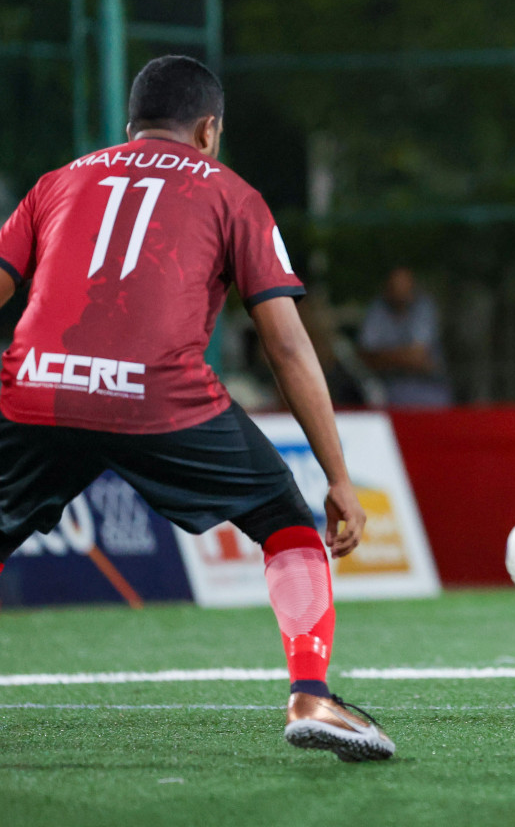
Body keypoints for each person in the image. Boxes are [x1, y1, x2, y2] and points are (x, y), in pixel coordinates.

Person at [0, 56, 394, 761]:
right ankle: (310, 693)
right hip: (159, 395)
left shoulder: (58, 181)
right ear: (209, 128)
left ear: (130, 124)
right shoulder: (234, 194)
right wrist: (337, 474)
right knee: (284, 523)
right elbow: (286, 346)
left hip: (38, 384)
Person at [357, 266, 452, 408]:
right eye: (394, 285)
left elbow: (417, 357)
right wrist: (407, 357)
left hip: (429, 388)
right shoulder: (377, 308)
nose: (399, 290)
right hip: (388, 389)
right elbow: (364, 357)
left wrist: (381, 358)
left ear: (412, 286)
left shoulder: (424, 307)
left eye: (403, 285)